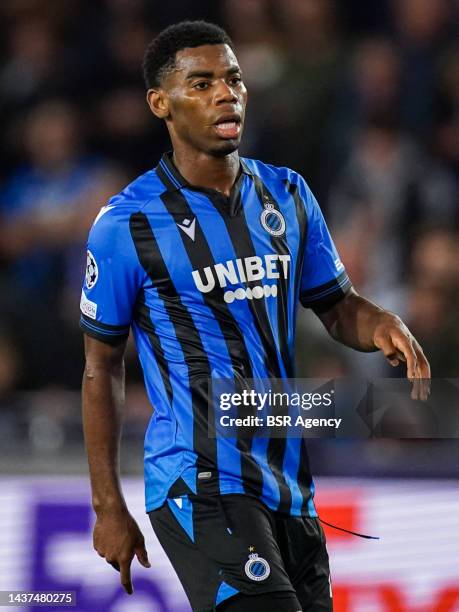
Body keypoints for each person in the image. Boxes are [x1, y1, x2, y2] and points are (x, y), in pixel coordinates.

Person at [80, 21, 430, 612]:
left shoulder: (287, 195)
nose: (226, 93)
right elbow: (101, 367)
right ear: (160, 103)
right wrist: (108, 505)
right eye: (202, 83)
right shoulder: (126, 224)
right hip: (199, 481)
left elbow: (337, 306)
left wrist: (380, 325)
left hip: (289, 485)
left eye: (234, 78)